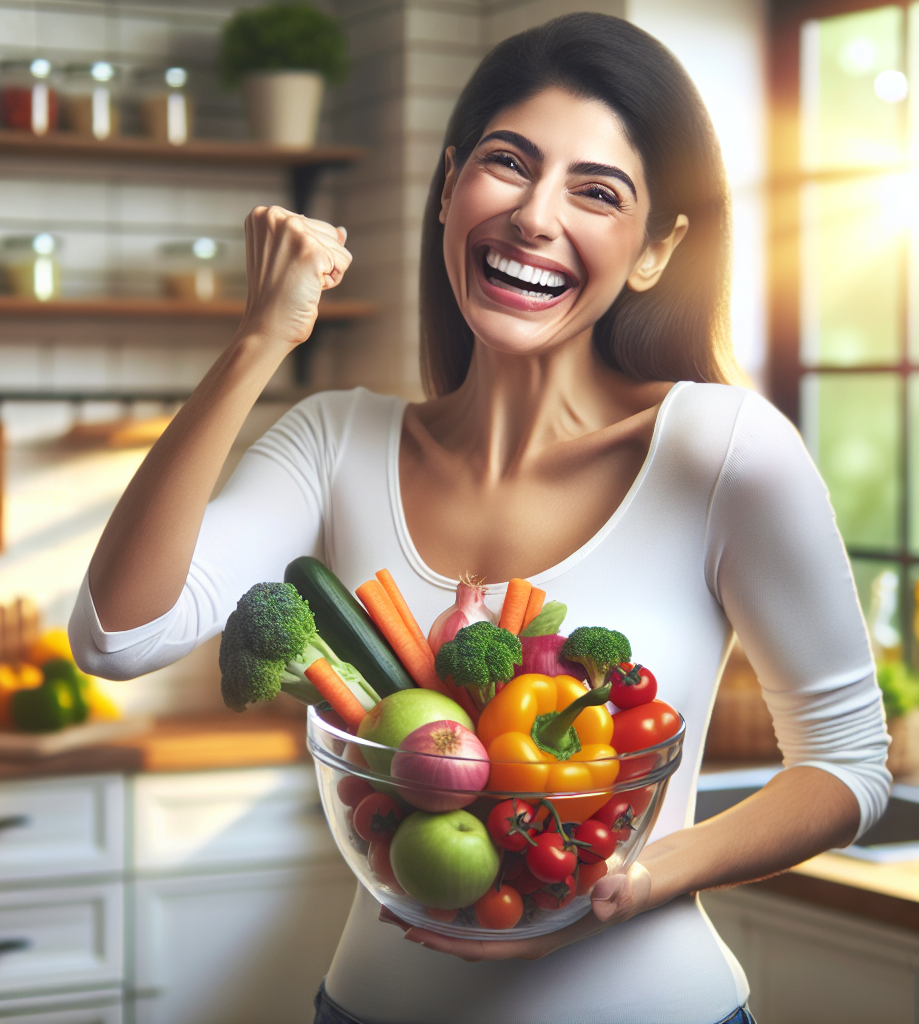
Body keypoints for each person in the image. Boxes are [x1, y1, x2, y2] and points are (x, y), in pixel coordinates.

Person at [70, 13, 890, 1024]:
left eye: (597, 191)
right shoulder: (333, 442)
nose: (535, 216)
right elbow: (119, 636)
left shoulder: (720, 448)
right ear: (450, 185)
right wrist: (257, 342)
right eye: (509, 164)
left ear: (653, 251)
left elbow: (847, 766)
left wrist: (644, 878)